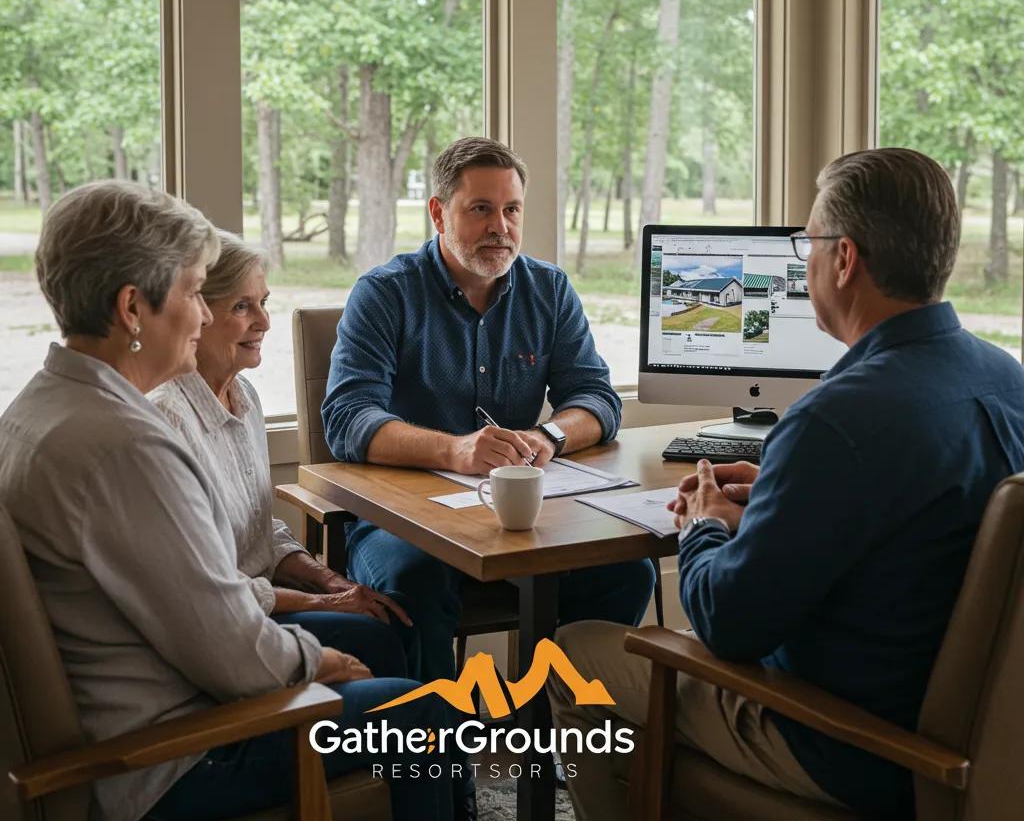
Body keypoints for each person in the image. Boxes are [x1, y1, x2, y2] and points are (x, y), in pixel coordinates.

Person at [548, 148, 1024, 821]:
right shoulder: (1006, 380)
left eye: (808, 244)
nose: (805, 260)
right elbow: (913, 536)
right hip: (981, 752)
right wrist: (780, 501)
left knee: (574, 655)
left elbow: (728, 624)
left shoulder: (836, 420)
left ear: (845, 259)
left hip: (847, 743)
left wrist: (705, 525)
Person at [0, 181, 451, 821]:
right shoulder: (127, 446)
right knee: (422, 713)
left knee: (385, 667)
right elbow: (234, 652)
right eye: (192, 292)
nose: (206, 316)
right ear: (133, 308)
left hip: (139, 708)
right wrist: (319, 658)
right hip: (172, 758)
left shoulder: (36, 411)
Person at [322, 137, 656, 806]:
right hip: (405, 525)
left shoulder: (548, 289)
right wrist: (451, 450)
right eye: (481, 209)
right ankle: (439, 784)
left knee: (629, 570)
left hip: (521, 525)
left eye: (511, 210)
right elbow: (347, 417)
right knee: (413, 581)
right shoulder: (384, 293)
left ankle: (564, 742)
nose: (500, 227)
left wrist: (548, 435)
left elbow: (597, 399)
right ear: (439, 212)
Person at [151, 230, 416, 680]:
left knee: (389, 620)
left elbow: (259, 531)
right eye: (241, 306)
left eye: (263, 302)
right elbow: (209, 590)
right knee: (381, 636)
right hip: (227, 626)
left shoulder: (244, 395)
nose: (264, 322)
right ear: (195, 313)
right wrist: (325, 601)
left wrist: (327, 578)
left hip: (260, 602)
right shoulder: (167, 420)